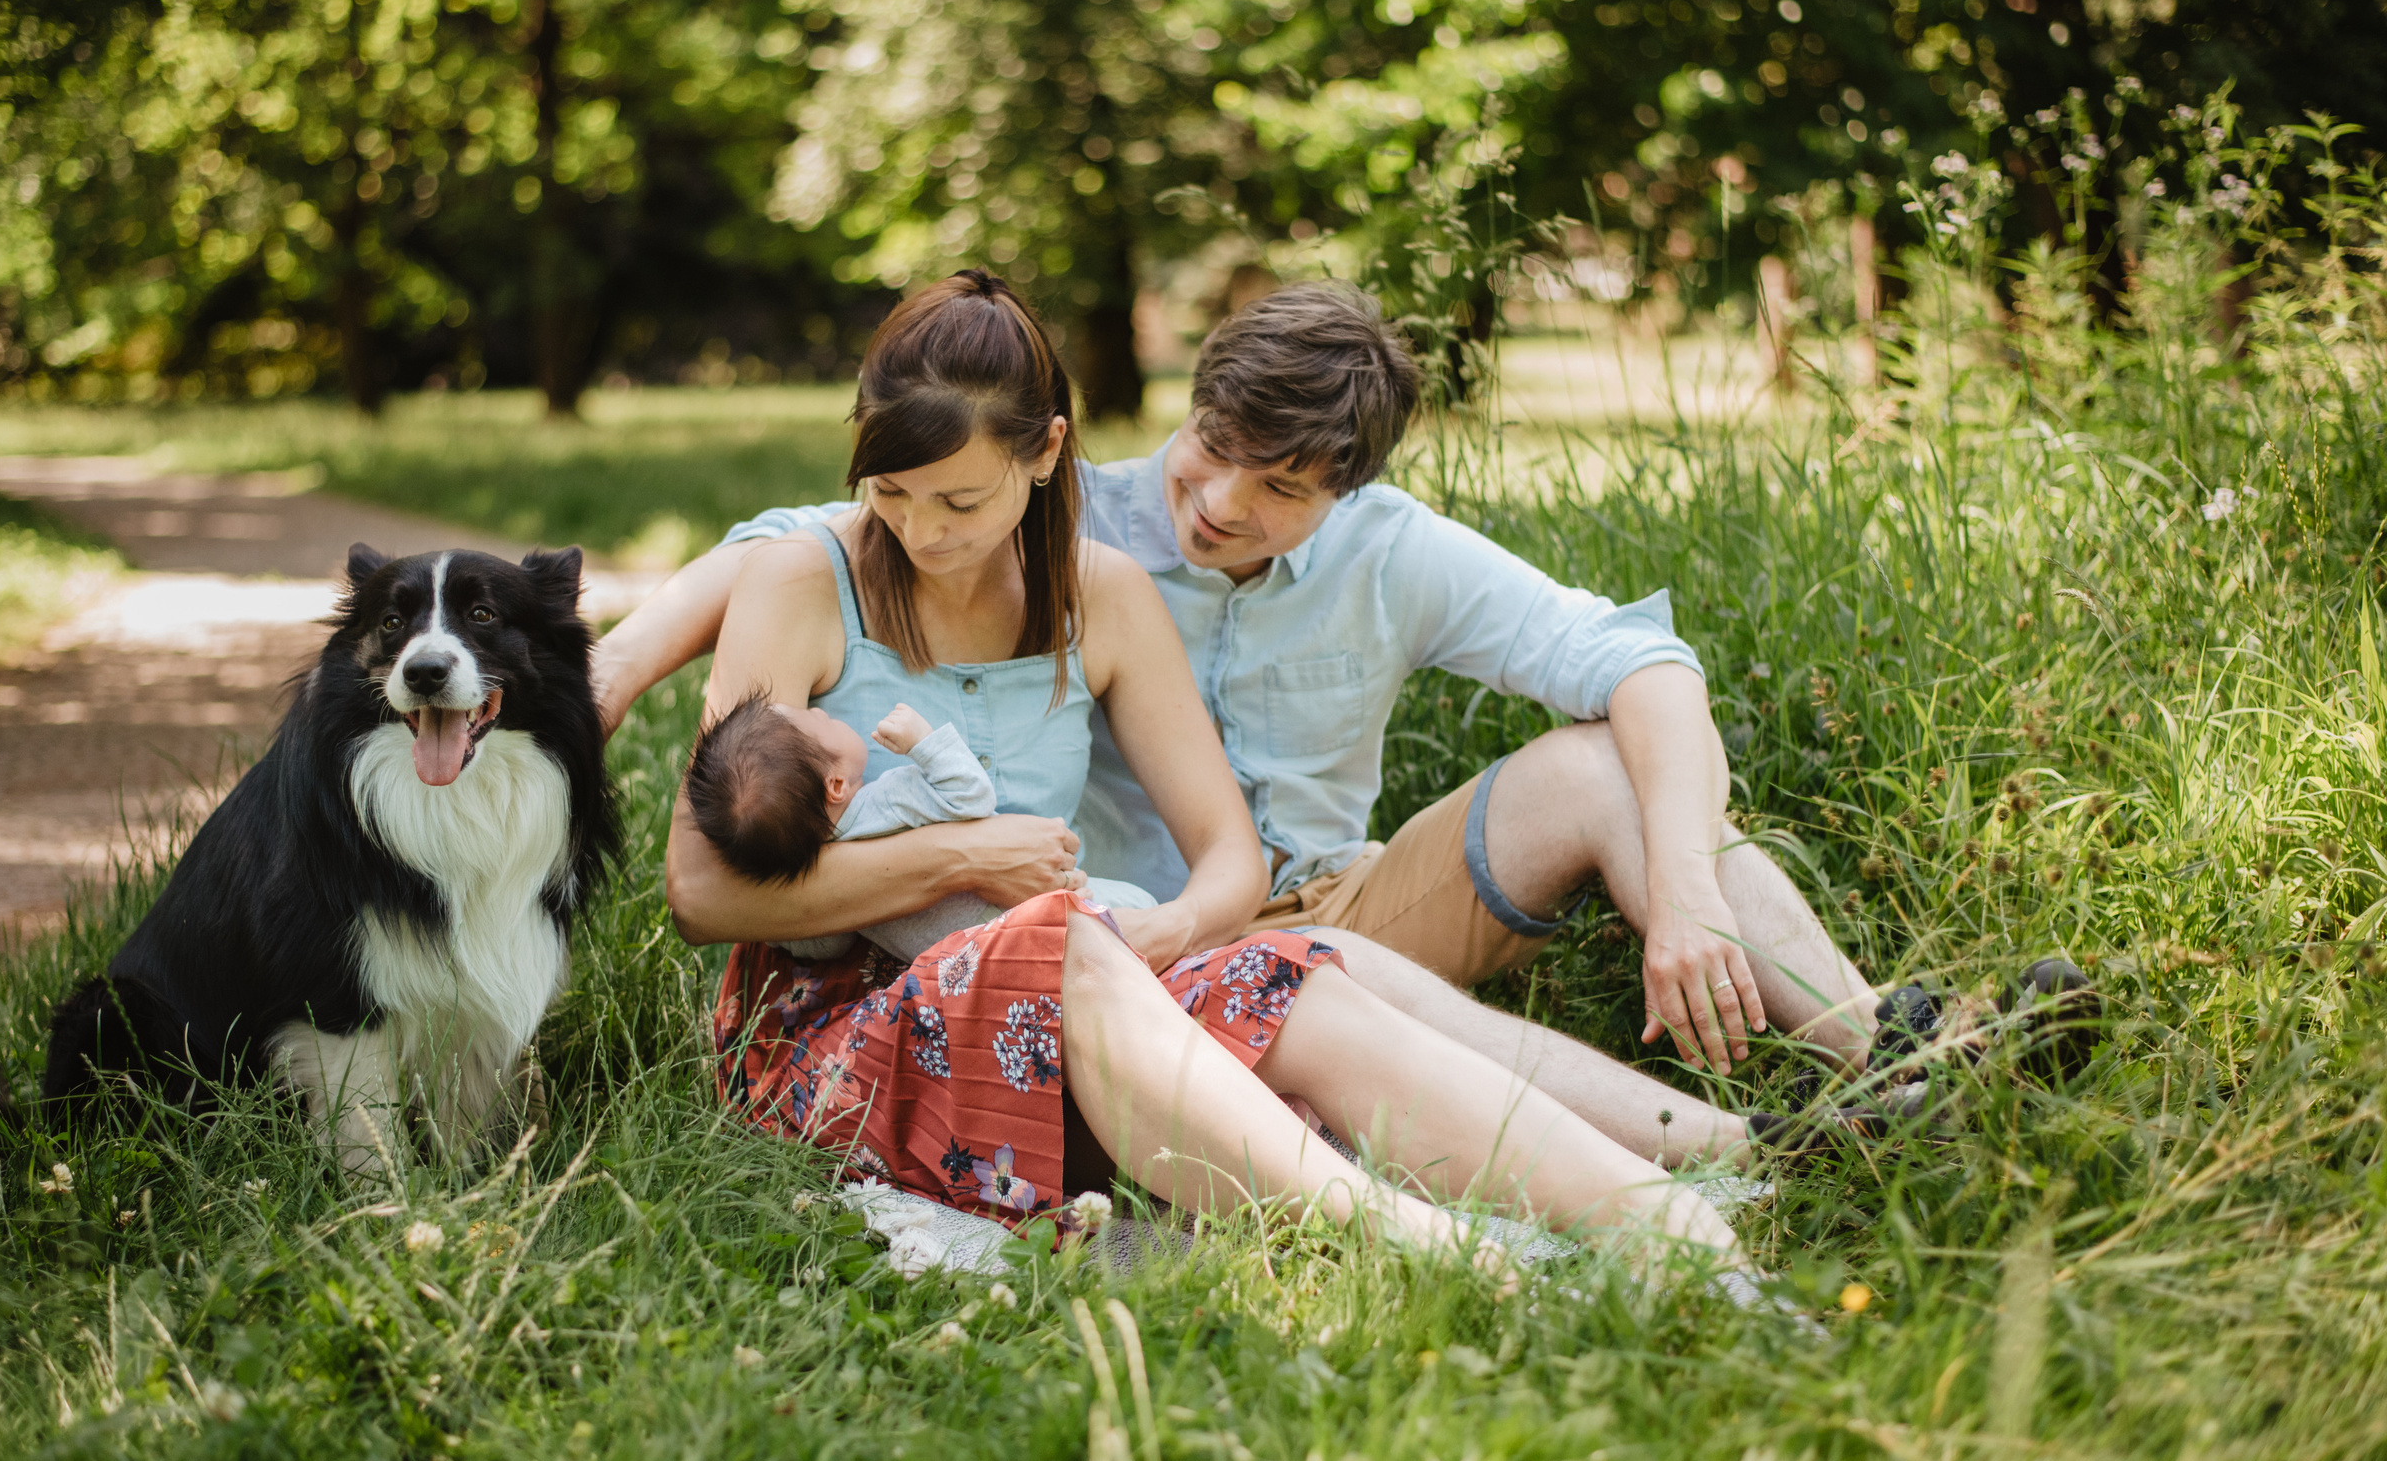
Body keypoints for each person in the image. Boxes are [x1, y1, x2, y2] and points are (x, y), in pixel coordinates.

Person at [604, 282, 2061, 1162]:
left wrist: (1678, 890)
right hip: (1128, 932)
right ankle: (1769, 1133)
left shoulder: (1396, 551)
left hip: (1342, 898)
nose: (1222, 500)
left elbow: (1645, 665)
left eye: (1280, 485)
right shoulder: (1067, 516)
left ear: (1347, 487)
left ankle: (1882, 1059)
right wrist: (607, 668)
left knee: (1617, 769)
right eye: (1212, 449)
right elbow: (811, 535)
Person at [670, 268, 1750, 1275]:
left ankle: (1682, 1198)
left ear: (1046, 454)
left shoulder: (1101, 592)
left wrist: (1170, 929)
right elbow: (704, 891)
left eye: (959, 502)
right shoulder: (798, 579)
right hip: (834, 1026)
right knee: (1063, 953)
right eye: (893, 491)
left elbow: (1228, 857)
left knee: (1291, 969)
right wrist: (957, 853)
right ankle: (1426, 1249)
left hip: (1069, 972)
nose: (919, 530)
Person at [684, 694, 1152, 960]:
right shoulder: (890, 799)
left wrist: (780, 935)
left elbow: (825, 943)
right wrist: (924, 743)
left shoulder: (836, 886)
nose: (824, 712)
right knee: (1139, 912)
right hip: (1048, 916)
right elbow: (973, 796)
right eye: (818, 720)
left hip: (984, 966)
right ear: (837, 784)